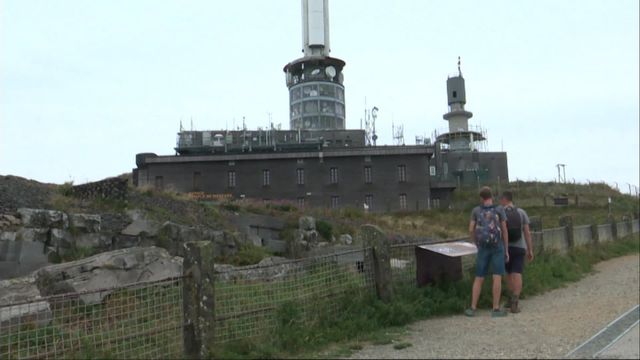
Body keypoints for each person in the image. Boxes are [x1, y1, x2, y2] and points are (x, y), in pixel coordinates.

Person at [465, 186, 510, 317]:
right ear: (492, 196)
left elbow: (470, 229)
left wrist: (476, 243)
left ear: (481, 198)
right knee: (497, 277)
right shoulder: (499, 209)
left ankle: (472, 308)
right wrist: (506, 248)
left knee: (479, 277)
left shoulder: (476, 210)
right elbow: (504, 230)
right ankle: (495, 309)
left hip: (482, 247)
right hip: (497, 246)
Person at [500, 191, 534, 313]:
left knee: (508, 273)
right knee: (517, 272)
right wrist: (530, 249)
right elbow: (527, 233)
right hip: (520, 247)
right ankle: (515, 300)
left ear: (504, 199)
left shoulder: (500, 213)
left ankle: (510, 298)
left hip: (505, 248)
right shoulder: (521, 212)